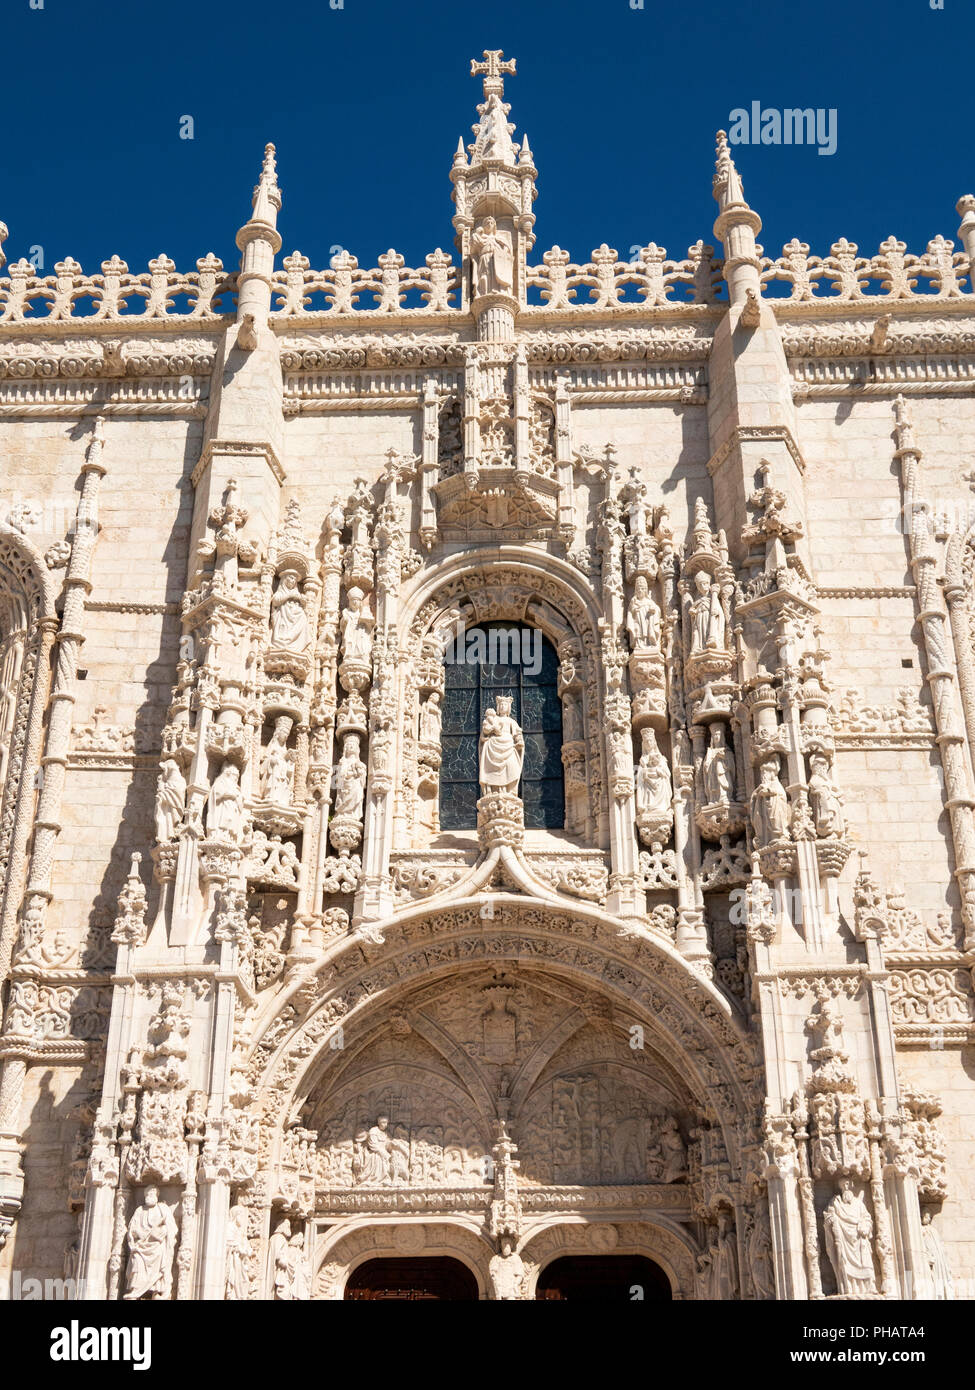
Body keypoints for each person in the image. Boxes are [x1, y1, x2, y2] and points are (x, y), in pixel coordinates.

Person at [478, 697, 524, 794]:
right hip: (493, 745)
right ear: (498, 707)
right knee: (492, 769)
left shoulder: (511, 721)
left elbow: (517, 733)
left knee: (511, 765)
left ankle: (508, 790)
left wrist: (519, 740)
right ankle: (493, 789)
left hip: (508, 745)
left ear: (509, 707)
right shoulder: (493, 719)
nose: (503, 706)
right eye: (501, 704)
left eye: (505, 705)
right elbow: (485, 731)